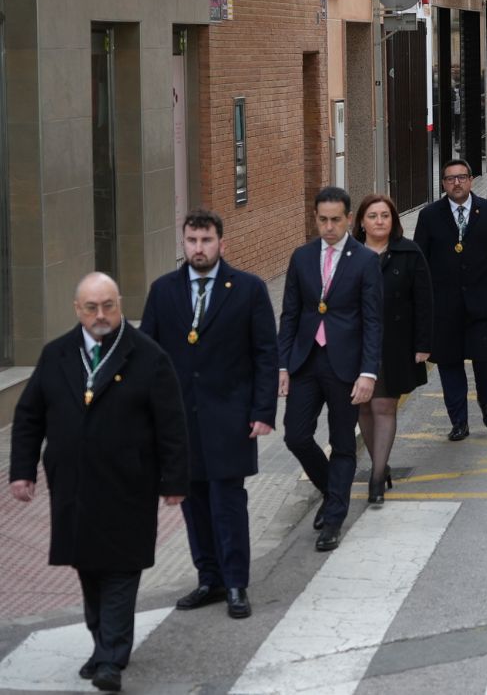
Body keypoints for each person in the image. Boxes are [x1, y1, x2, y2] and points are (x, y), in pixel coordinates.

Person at [10, 273, 188, 692]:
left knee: (121, 569)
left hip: (129, 483)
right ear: (77, 309)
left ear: (120, 304)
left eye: (108, 305)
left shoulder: (148, 356)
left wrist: (175, 479)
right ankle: (102, 646)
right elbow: (29, 416)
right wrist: (22, 471)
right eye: (91, 307)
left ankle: (111, 657)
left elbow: (172, 425)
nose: (101, 315)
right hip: (73, 486)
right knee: (88, 567)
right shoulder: (56, 355)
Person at [140, 209, 277, 621]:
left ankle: (236, 582)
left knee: (227, 502)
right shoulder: (163, 291)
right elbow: (149, 355)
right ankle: (209, 578)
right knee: (193, 503)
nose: (198, 248)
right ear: (183, 243)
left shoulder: (249, 289)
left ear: (222, 243)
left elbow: (265, 355)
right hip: (179, 422)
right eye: (192, 241)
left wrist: (262, 411)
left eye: (206, 240)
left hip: (231, 417)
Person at [278, 186, 383, 553]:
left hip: (347, 366)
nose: (328, 227)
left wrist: (368, 372)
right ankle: (331, 491)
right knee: (295, 435)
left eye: (335, 220)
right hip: (306, 361)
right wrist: (282, 364)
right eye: (322, 220)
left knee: (342, 443)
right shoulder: (302, 257)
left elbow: (372, 321)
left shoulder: (365, 260)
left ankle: (334, 518)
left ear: (349, 219)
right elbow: (290, 313)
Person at [415, 160, 487, 441]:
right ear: (443, 184)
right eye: (450, 179)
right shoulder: (429, 216)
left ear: (471, 180)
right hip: (445, 308)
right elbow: (420, 265)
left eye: (462, 177)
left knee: (484, 361)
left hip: (483, 304)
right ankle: (459, 421)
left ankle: (486, 402)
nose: (456, 183)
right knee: (449, 365)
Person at [353, 194, 433, 502]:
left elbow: (424, 301)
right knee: (363, 406)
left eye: (385, 216)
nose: (379, 221)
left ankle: (375, 478)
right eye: (372, 216)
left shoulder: (409, 252)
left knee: (383, 405)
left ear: (393, 221)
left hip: (396, 343)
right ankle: (380, 463)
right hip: (357, 344)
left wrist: (423, 344)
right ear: (361, 222)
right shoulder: (350, 255)